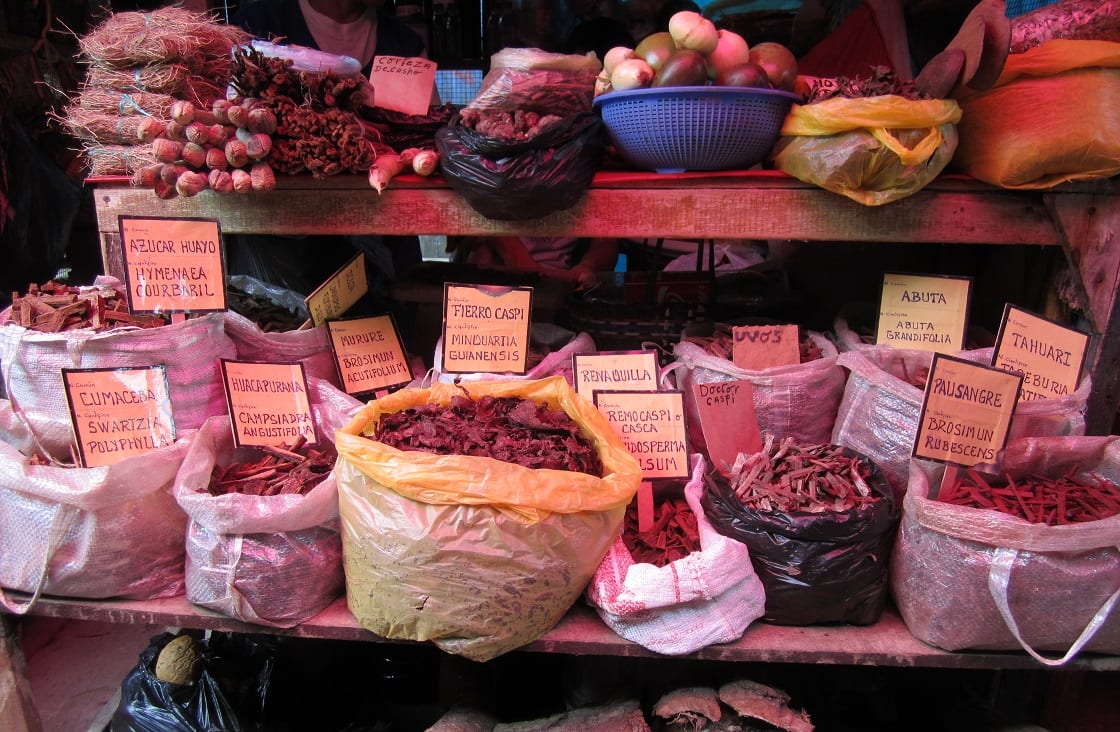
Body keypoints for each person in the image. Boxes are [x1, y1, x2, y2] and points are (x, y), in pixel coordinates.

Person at [225, 0, 429, 301]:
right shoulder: (258, 23)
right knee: (283, 330)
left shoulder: (404, 43)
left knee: (387, 332)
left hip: (384, 241)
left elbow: (419, 139)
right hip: (279, 245)